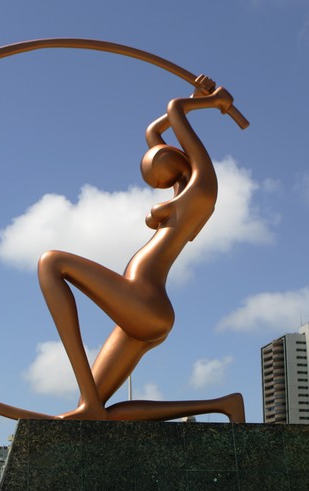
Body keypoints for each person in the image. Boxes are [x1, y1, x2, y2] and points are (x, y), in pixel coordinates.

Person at [37, 77, 245, 423]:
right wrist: (197, 99)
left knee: (51, 262)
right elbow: (155, 130)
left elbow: (174, 111)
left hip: (144, 301)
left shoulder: (202, 189)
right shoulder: (182, 190)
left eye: (157, 173)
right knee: (100, 418)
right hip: (144, 312)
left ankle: (88, 399)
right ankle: (224, 405)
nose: (157, 184)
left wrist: (212, 102)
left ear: (177, 159)